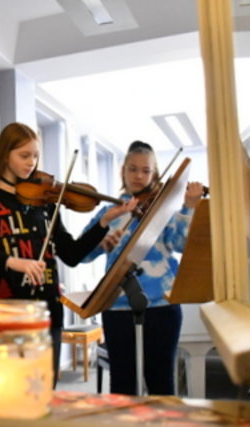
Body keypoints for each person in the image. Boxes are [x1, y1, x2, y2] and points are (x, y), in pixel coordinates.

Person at [0, 122, 137, 385]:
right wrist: (12, 262)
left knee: (44, 391)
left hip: (49, 314)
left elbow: (70, 254)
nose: (32, 163)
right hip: (7, 314)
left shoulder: (46, 202)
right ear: (5, 155)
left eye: (35, 155)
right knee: (11, 394)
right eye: (24, 155)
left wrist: (104, 222)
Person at [81, 140, 204, 395]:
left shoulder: (165, 209)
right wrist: (101, 240)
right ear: (123, 171)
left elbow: (182, 244)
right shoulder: (109, 211)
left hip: (162, 306)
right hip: (116, 307)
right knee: (123, 386)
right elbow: (82, 255)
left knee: (161, 384)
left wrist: (189, 208)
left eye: (146, 171)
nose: (138, 176)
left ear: (154, 174)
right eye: (133, 169)